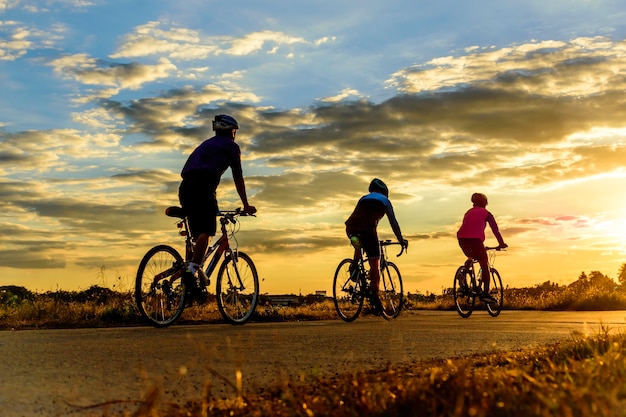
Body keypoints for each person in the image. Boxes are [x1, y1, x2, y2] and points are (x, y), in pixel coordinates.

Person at [178, 114, 256, 302]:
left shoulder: (205, 144)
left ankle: (190, 279)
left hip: (185, 188)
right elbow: (238, 177)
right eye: (234, 131)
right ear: (231, 131)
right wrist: (245, 205)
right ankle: (190, 273)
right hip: (203, 187)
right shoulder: (231, 146)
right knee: (207, 231)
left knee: (197, 237)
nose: (235, 134)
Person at [345, 178, 408, 309]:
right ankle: (375, 296)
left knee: (359, 243)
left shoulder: (363, 198)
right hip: (368, 229)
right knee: (375, 263)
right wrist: (401, 239)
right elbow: (393, 223)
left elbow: (358, 217)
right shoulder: (385, 201)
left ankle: (355, 265)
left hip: (351, 227)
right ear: (384, 191)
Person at [457, 193, 507, 303]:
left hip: (462, 239)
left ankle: (463, 278)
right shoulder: (486, 213)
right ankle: (485, 294)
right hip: (476, 240)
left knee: (471, 256)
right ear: (485, 203)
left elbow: (468, 227)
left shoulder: (468, 212)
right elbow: (495, 229)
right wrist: (501, 243)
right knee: (484, 264)